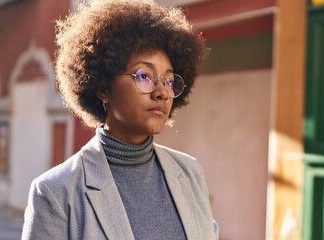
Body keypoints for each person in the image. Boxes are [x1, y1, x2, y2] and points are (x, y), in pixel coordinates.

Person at [22, 0, 218, 239]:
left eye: (168, 80)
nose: (162, 92)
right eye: (144, 75)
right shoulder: (56, 192)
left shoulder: (189, 172)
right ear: (103, 88)